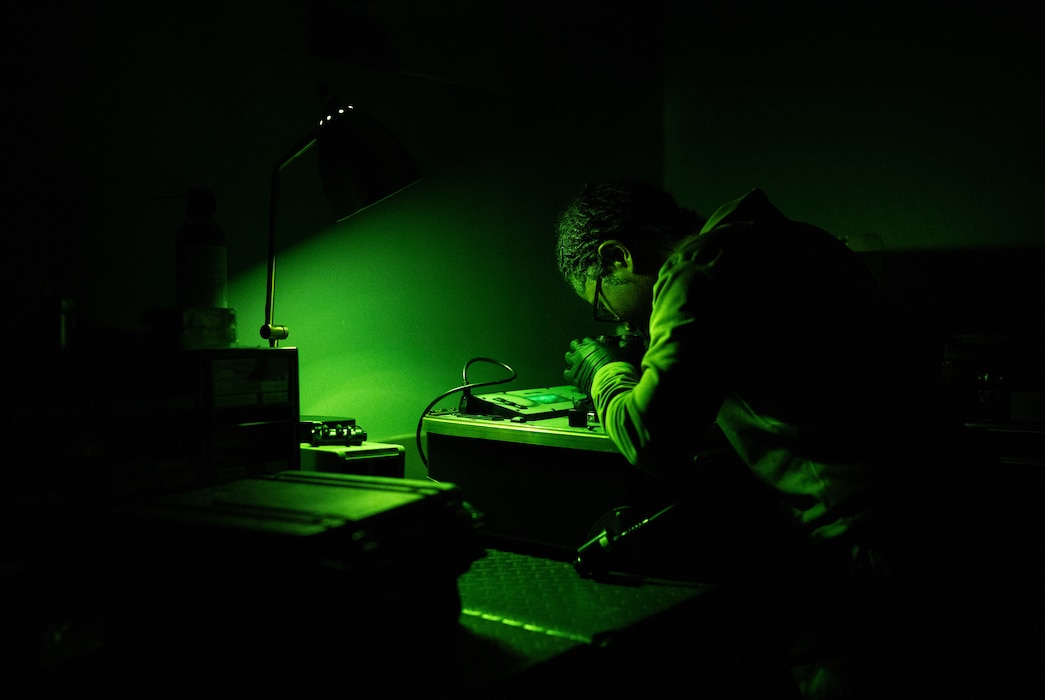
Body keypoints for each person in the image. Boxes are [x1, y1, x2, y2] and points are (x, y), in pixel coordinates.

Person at [556, 180, 942, 698]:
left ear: (617, 256)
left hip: (864, 549)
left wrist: (603, 372)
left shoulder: (698, 267)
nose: (622, 321)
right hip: (934, 521)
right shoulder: (799, 241)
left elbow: (652, 443)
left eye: (603, 303)